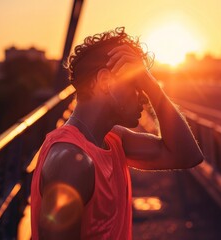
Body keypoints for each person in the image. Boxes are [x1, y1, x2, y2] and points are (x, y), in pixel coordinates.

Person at [30, 27, 204, 240]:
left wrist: (153, 86)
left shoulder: (113, 140)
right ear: (105, 82)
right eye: (135, 84)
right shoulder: (71, 161)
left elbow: (187, 156)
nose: (143, 97)